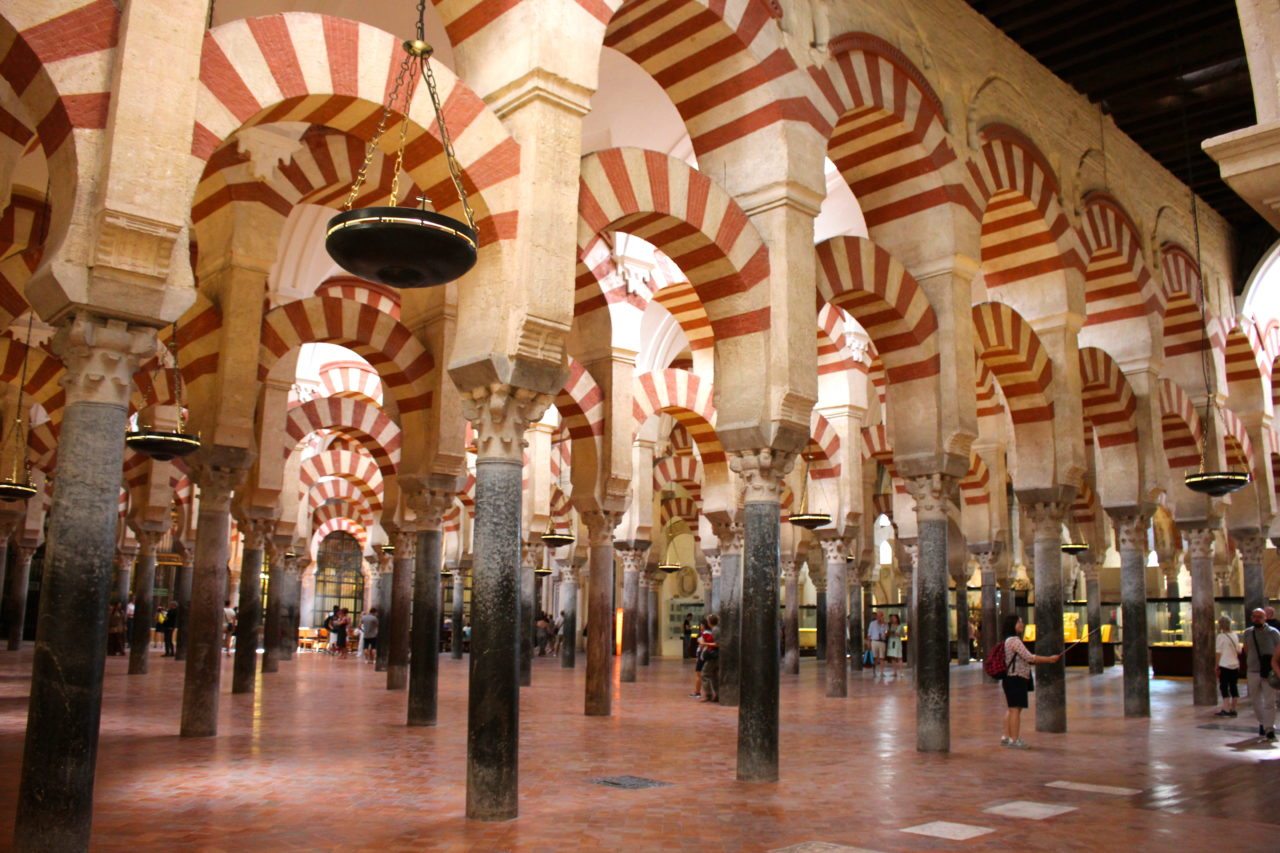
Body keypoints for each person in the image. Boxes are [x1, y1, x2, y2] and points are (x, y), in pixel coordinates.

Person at [999, 612, 1061, 749]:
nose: (1022, 624)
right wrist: (1049, 659)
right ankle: (1014, 740)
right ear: (1012, 625)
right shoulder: (1014, 641)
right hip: (1016, 678)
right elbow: (1029, 657)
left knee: (1012, 709)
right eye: (1019, 622)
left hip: (1011, 678)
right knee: (1015, 710)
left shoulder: (1008, 640)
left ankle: (1006, 737)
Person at [1242, 607, 1279, 740]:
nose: (1257, 619)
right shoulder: (1247, 633)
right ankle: (1263, 722)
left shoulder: (1273, 633)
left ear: (1265, 618)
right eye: (1255, 616)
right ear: (1252, 618)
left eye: (1260, 617)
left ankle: (1269, 728)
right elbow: (1246, 649)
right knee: (1255, 700)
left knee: (1269, 701)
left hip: (1269, 671)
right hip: (1253, 671)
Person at [1214, 615, 1242, 717]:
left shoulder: (1220, 636)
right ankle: (1233, 709)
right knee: (1234, 686)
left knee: (1224, 686)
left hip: (1224, 664)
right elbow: (1239, 650)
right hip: (1235, 664)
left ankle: (1225, 709)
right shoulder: (1235, 635)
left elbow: (1218, 652)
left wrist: (1216, 665)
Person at [700, 614, 720, 702]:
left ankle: (708, 694)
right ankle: (717, 694)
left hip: (714, 656)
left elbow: (718, 644)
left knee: (704, 674)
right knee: (714, 676)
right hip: (716, 656)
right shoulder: (715, 629)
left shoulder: (715, 630)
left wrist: (705, 644)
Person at [691, 616, 710, 698]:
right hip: (702, 654)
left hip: (702, 655)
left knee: (699, 674)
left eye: (701, 625)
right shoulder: (706, 633)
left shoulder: (705, 633)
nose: (700, 626)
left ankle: (698, 692)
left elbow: (702, 644)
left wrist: (700, 641)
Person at [866, 611, 888, 678]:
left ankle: (882, 672)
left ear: (882, 616)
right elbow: (869, 633)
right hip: (874, 641)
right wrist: (869, 643)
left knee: (882, 657)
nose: (879, 617)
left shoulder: (885, 624)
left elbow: (886, 633)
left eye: (880, 616)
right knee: (875, 657)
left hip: (882, 642)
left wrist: (883, 625)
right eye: (877, 616)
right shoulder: (872, 623)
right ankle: (874, 671)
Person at [886, 613, 904, 679]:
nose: (893, 619)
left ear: (897, 619)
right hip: (891, 642)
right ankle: (894, 672)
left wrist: (898, 634)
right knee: (893, 657)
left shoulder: (900, 626)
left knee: (899, 657)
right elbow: (887, 634)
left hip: (897, 642)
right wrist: (889, 633)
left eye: (894, 618)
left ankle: (901, 672)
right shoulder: (889, 625)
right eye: (892, 618)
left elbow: (903, 635)